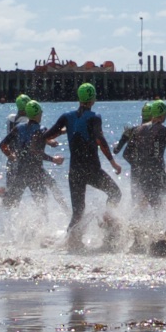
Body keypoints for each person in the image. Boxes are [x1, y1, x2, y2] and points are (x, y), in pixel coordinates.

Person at [36, 82, 122, 248]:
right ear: (93, 99)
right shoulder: (94, 117)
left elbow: (45, 135)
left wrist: (52, 141)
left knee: (77, 212)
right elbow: (100, 140)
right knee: (115, 193)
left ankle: (68, 243)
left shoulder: (67, 117)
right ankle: (107, 220)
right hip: (92, 170)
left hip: (74, 172)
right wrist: (112, 162)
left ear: (79, 99)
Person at [0, 97, 52, 210]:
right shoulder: (25, 123)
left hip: (11, 158)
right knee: (37, 194)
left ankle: (1, 195)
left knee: (12, 197)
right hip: (24, 159)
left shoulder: (11, 119)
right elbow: (34, 138)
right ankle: (2, 194)